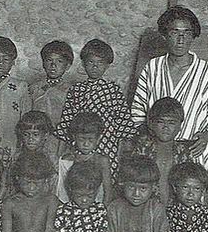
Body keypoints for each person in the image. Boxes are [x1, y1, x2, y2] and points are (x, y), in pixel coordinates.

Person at [131, 5, 208, 173]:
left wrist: (207, 136)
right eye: (174, 32)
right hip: (157, 151)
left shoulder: (207, 71)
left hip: (195, 151)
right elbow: (138, 112)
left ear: (193, 36)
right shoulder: (153, 68)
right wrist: (148, 138)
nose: (180, 39)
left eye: (186, 33)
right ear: (164, 35)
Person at [56, 39, 135, 177]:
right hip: (81, 142)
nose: (95, 67)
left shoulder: (113, 89)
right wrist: (60, 152)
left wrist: (120, 153)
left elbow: (123, 122)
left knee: (104, 176)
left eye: (100, 63)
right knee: (80, 177)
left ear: (107, 66)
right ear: (83, 64)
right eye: (91, 62)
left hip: (107, 143)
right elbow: (66, 120)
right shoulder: (77, 89)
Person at [121, 96, 193, 205]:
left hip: (176, 210)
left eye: (172, 123)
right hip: (147, 209)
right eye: (161, 122)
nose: (166, 127)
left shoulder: (184, 152)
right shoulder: (143, 148)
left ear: (180, 126)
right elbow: (132, 179)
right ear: (151, 124)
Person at [56, 112, 112, 204]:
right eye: (82, 139)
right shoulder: (66, 160)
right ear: (74, 137)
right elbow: (62, 190)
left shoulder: (101, 160)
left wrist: (103, 211)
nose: (86, 144)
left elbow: (108, 191)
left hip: (97, 208)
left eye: (90, 140)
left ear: (98, 139)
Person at [29, 40, 74, 127]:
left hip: (61, 137)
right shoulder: (34, 88)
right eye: (49, 60)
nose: (53, 65)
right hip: (36, 136)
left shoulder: (72, 90)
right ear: (43, 63)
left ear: (67, 66)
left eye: (59, 61)